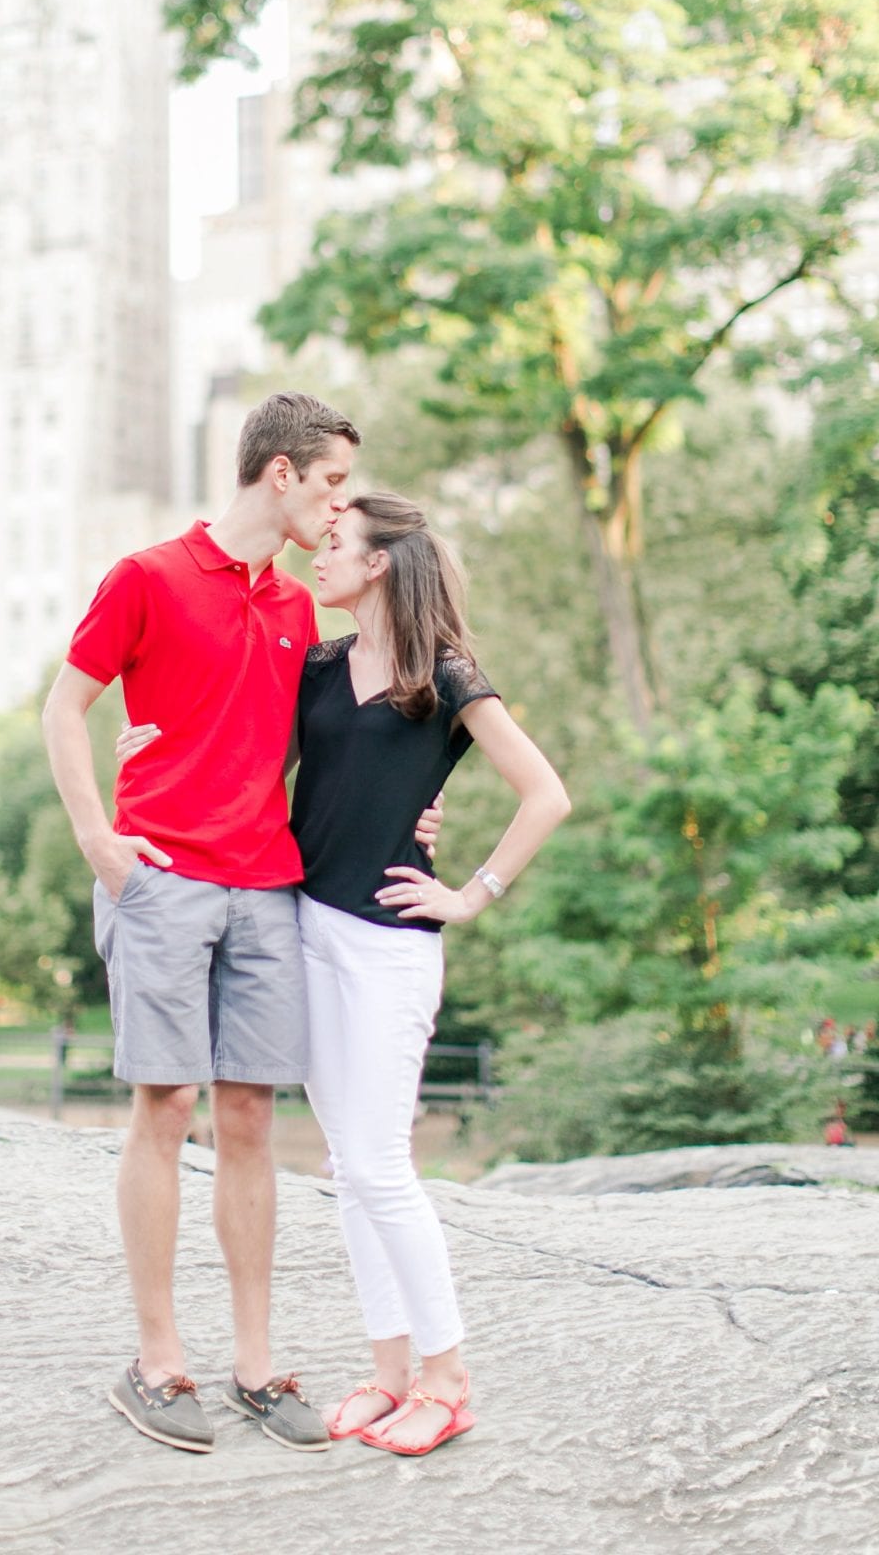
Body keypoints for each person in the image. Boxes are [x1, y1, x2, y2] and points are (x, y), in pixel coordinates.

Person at [121, 491, 571, 1459]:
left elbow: (546, 793)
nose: (317, 558)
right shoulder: (320, 668)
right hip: (303, 927)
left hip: (388, 948)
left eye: (336, 545)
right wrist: (141, 757)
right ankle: (390, 1370)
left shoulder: (447, 678)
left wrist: (472, 890)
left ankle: (448, 1381)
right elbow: (235, 754)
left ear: (379, 565)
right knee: (347, 1169)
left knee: (379, 1167)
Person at [41, 395, 440, 1456]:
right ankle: (158, 1361)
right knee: (166, 1105)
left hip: (268, 882)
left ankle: (256, 1367)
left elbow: (343, 741)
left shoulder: (299, 611)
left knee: (255, 1119)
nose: (338, 506)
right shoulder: (146, 577)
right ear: (281, 476)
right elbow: (63, 707)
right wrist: (99, 839)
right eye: (330, 485)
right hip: (163, 878)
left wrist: (417, 807)